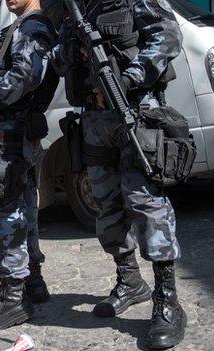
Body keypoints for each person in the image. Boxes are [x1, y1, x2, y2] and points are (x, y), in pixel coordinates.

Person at [49, 0, 187, 348]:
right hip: (94, 120)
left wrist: (129, 76)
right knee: (105, 204)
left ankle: (167, 298)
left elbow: (168, 34)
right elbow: (57, 63)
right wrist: (70, 49)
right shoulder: (71, 10)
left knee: (146, 203)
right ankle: (129, 281)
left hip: (135, 110)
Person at [0, 0, 60, 332]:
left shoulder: (32, 27)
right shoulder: (23, 27)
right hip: (20, 135)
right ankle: (32, 280)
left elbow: (24, 76)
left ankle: (12, 299)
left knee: (5, 214)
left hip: (12, 136)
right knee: (25, 211)